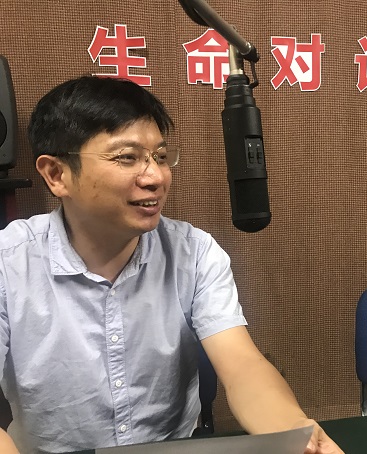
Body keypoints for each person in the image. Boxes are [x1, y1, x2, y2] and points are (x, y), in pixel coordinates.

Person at [0, 75, 343, 454]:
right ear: (56, 174)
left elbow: (243, 365)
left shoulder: (194, 252)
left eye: (160, 157)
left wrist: (294, 430)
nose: (155, 177)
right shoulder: (8, 262)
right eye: (127, 157)